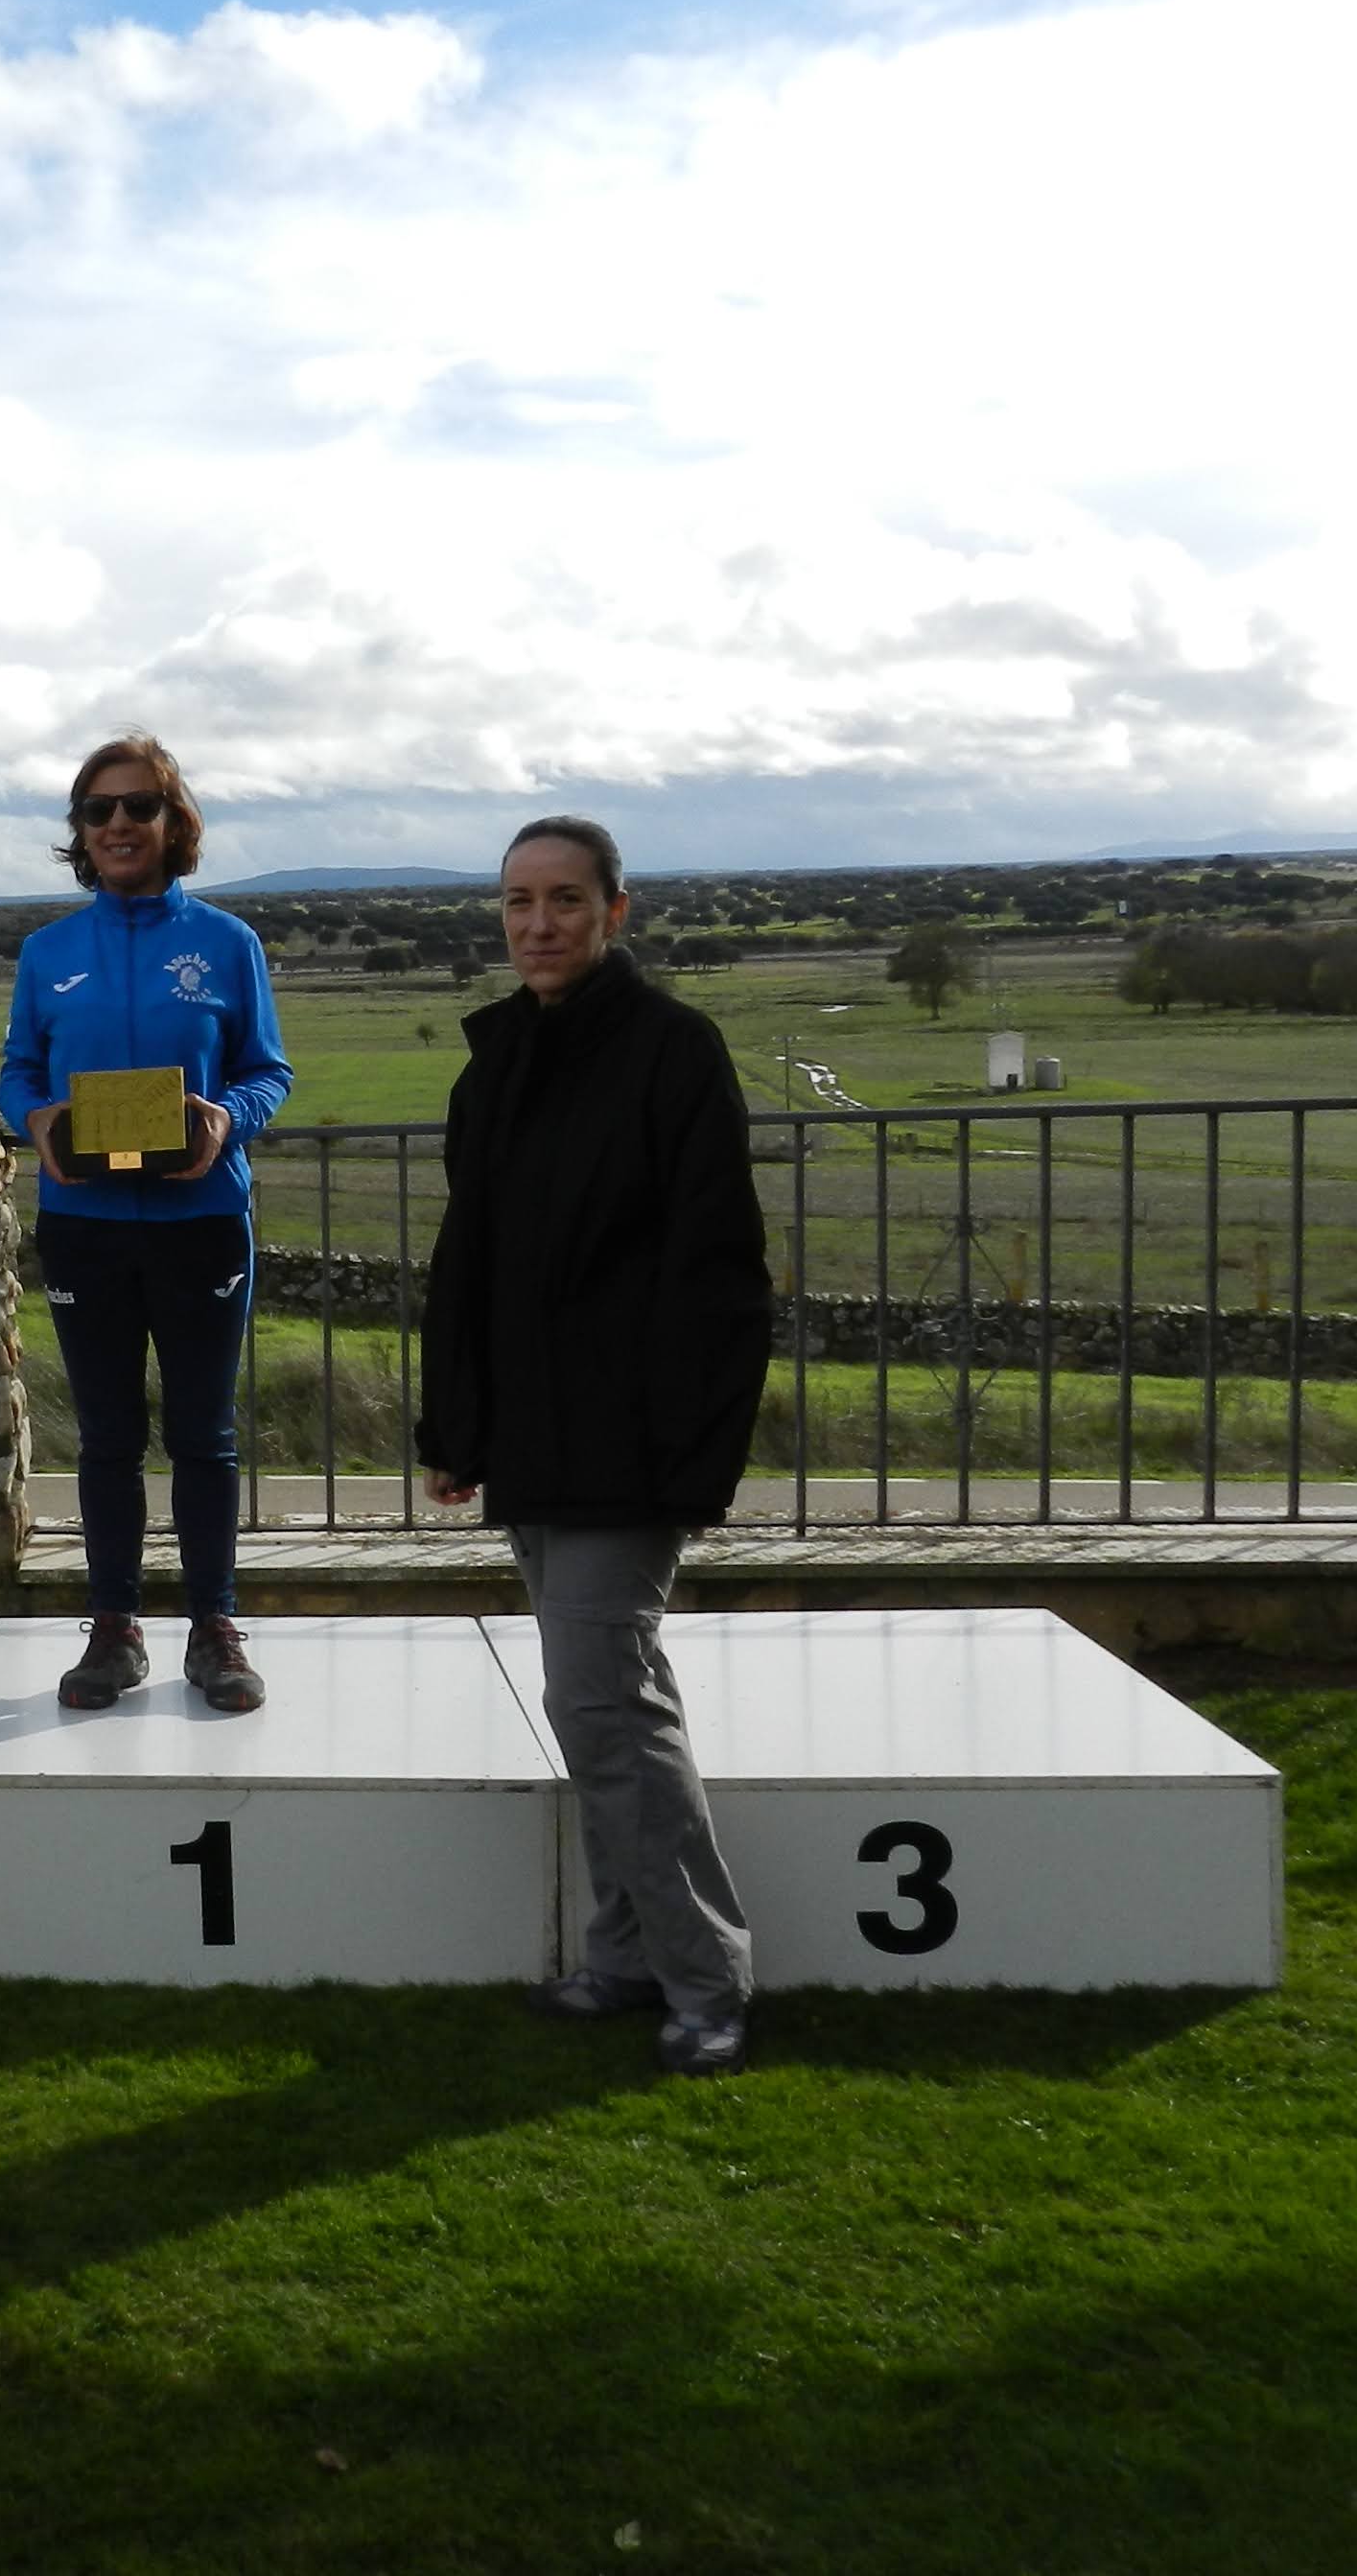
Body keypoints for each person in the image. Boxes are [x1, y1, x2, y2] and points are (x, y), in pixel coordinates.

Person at [415, 817, 771, 2079]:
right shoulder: (495, 1062)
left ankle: (704, 1978)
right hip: (534, 1438)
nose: (539, 925)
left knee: (600, 1698)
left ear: (618, 912)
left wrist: (692, 1453)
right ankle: (626, 1956)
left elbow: (720, 1273)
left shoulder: (677, 1053)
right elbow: (473, 1264)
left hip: (634, 1444)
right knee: (606, 1705)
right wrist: (455, 1428)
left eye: (565, 900)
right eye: (518, 903)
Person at [0, 735, 292, 1712]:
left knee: (204, 1434)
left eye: (138, 808)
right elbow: (17, 1072)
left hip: (199, 1218)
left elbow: (266, 1071)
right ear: (80, 834)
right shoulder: (47, 953)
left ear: (173, 825)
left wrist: (229, 1117)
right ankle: (113, 1628)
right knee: (108, 1437)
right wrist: (32, 1118)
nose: (118, 825)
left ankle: (213, 1626)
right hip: (84, 1222)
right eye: (99, 811)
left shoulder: (225, 942)